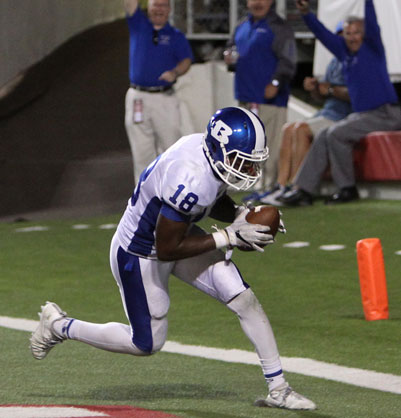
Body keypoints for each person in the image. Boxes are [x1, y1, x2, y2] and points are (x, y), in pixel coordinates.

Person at [30, 107, 316, 411]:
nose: (246, 170)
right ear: (220, 150)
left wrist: (239, 216)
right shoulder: (190, 176)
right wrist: (230, 236)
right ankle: (59, 326)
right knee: (146, 343)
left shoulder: (206, 154)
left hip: (174, 235)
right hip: (140, 252)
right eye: (240, 161)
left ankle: (279, 389)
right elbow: (167, 247)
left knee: (243, 298)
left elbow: (210, 198)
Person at [282, 0, 401, 206]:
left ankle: (347, 188)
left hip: (385, 113)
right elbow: (321, 33)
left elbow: (373, 24)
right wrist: (304, 11)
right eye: (347, 33)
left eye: (356, 32)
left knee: (336, 133)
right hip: (365, 115)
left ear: (364, 35)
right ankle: (304, 190)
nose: (352, 36)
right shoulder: (345, 55)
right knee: (325, 134)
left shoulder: (372, 48)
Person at [260, 36, 352, 206]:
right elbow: (322, 96)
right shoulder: (334, 62)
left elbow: (356, 95)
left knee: (300, 129)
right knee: (288, 128)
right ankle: (281, 186)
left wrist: (330, 89)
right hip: (327, 113)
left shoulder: (355, 62)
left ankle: (297, 188)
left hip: (343, 117)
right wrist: (314, 89)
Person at [121, 0, 193, 185]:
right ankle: (144, 202)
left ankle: (171, 196)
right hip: (137, 98)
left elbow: (186, 60)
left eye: (163, 5)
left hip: (164, 98)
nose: (159, 9)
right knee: (141, 155)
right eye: (155, 4)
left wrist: (175, 72)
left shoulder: (176, 36)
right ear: (149, 8)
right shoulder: (138, 24)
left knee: (170, 150)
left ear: (169, 9)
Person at [224, 0, 297, 195]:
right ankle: (255, 185)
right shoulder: (241, 25)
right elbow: (231, 50)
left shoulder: (279, 27)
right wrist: (229, 57)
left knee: (270, 145)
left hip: (270, 99)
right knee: (251, 146)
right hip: (246, 98)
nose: (258, 3)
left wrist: (275, 83)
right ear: (247, 2)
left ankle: (269, 186)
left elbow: (288, 61)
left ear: (270, 0)